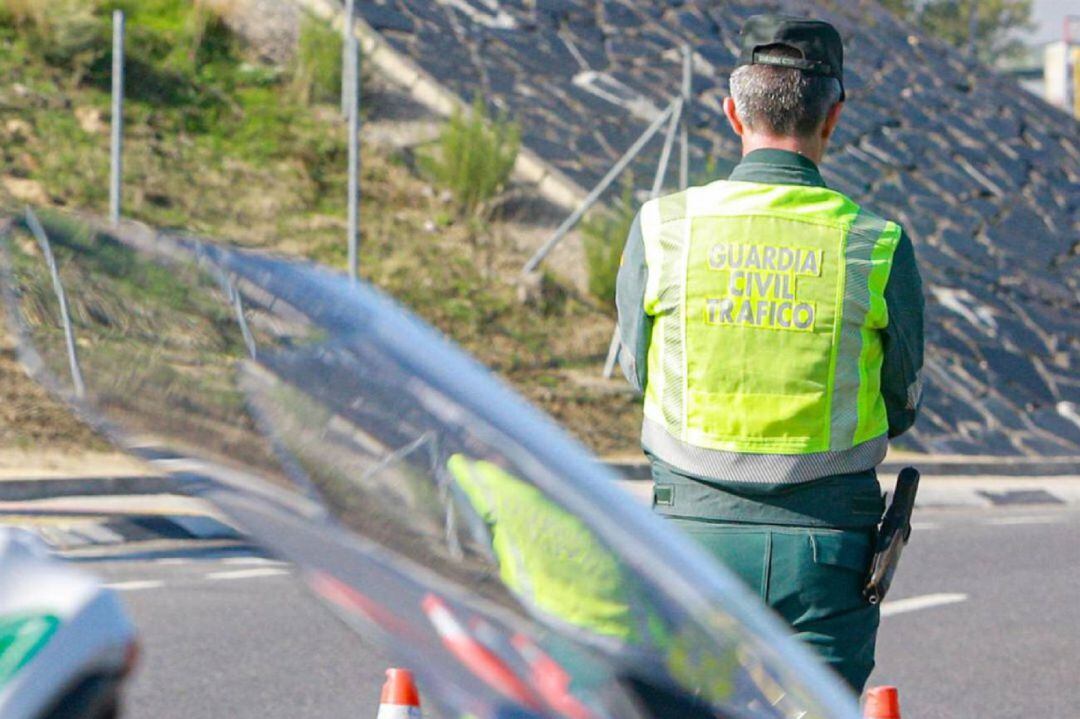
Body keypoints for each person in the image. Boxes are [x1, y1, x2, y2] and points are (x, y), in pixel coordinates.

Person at [615, 14, 924, 693]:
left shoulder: (663, 227)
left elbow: (640, 371)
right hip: (826, 550)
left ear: (732, 112)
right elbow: (900, 401)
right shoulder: (876, 244)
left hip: (690, 534)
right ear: (833, 118)